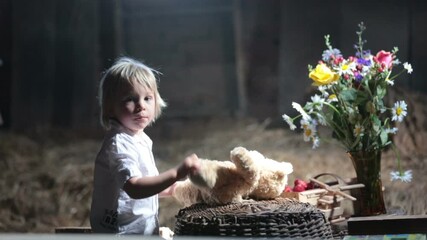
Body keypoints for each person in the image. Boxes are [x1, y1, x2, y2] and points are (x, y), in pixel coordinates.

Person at [90, 56, 200, 235]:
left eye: (147, 98)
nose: (141, 106)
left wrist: (176, 189)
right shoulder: (119, 143)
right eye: (130, 99)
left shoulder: (139, 138)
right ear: (110, 107)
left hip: (142, 231)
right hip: (122, 233)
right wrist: (176, 174)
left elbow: (147, 184)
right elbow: (134, 187)